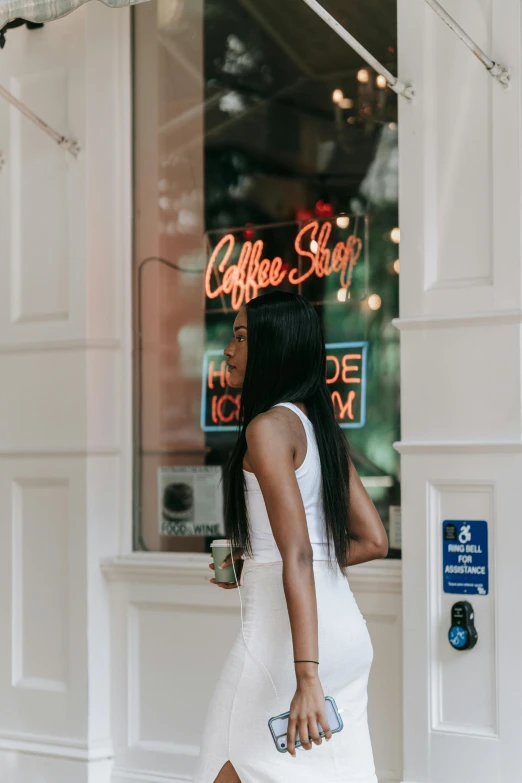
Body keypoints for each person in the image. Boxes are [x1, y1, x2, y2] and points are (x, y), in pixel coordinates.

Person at [193, 291, 388, 783]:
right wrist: (258, 560)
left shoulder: (266, 428)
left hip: (286, 648)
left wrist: (307, 676)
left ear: (272, 348)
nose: (229, 351)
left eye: (241, 337)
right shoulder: (318, 426)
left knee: (223, 763)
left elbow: (298, 553)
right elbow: (373, 540)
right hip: (343, 637)